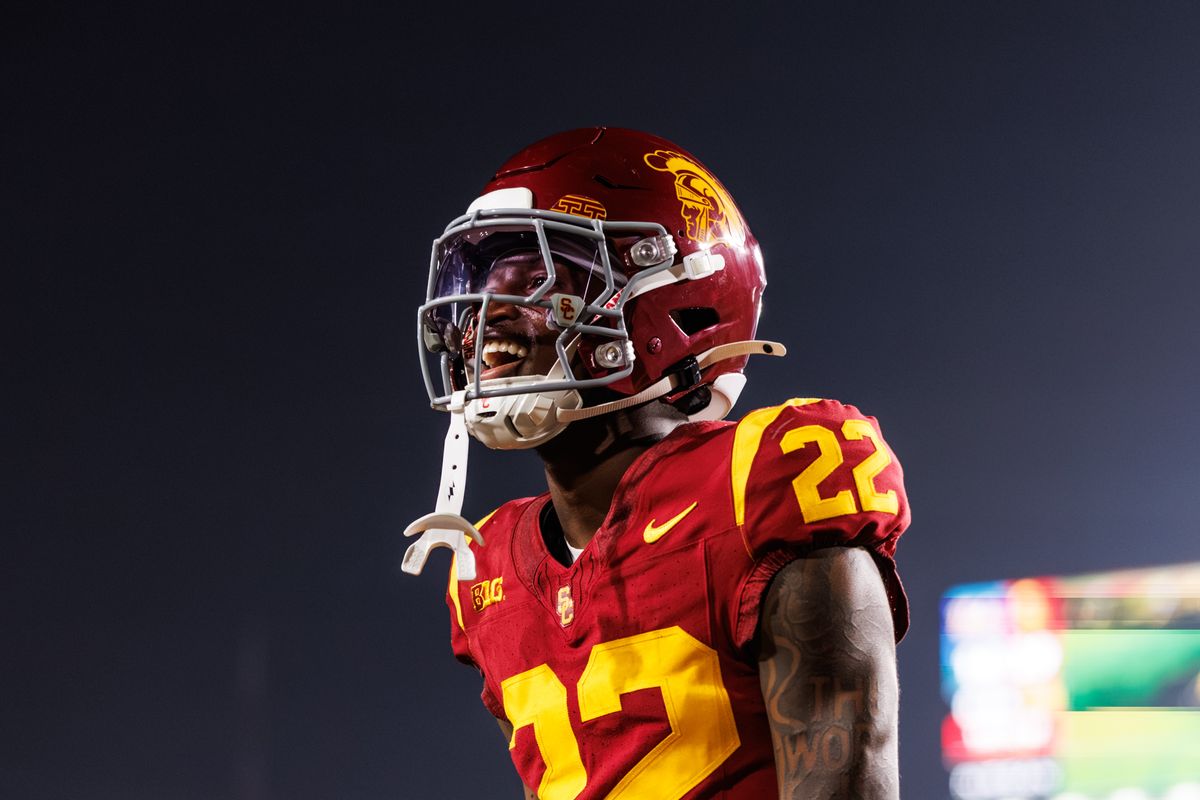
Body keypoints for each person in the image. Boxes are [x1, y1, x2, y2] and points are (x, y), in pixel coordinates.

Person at [403, 127, 911, 799]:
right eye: (485, 284)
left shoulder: (758, 484)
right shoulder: (487, 567)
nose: (487, 320)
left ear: (673, 296)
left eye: (537, 279)